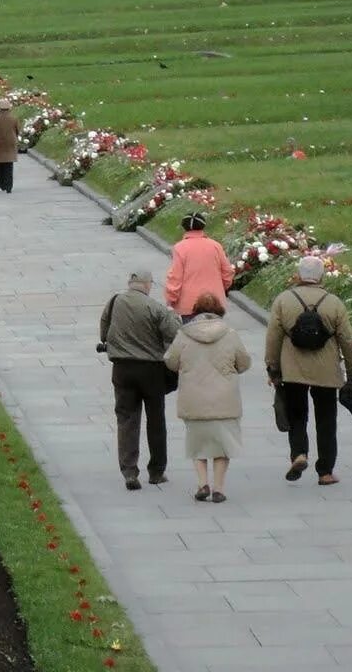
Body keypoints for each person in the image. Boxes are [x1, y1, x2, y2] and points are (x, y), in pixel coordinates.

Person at [265, 255, 352, 486]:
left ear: (298, 276)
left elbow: (273, 338)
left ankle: (299, 453)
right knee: (326, 419)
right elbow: (347, 340)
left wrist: (273, 368)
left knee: (297, 414)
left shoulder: (284, 300)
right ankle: (325, 471)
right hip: (326, 371)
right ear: (322, 277)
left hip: (293, 369)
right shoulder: (334, 303)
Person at [165, 292, 251, 503]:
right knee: (222, 445)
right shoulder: (229, 334)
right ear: (219, 312)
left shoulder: (184, 334)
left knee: (197, 443)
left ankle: (202, 483)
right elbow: (244, 362)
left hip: (193, 397)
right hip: (224, 399)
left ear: (196, 311)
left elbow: (170, 361)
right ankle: (219, 488)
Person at [100, 270, 180, 490]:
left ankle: (129, 472)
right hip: (151, 370)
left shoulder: (115, 301)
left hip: (122, 369)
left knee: (126, 419)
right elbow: (174, 334)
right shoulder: (155, 307)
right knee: (156, 420)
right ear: (147, 285)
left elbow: (103, 330)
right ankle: (156, 471)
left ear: (130, 284)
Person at [164, 213, 234, 321]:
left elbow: (175, 277)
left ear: (184, 227)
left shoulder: (180, 248)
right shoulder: (215, 246)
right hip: (214, 303)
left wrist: (171, 299)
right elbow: (227, 272)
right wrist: (221, 288)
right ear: (203, 226)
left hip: (189, 305)